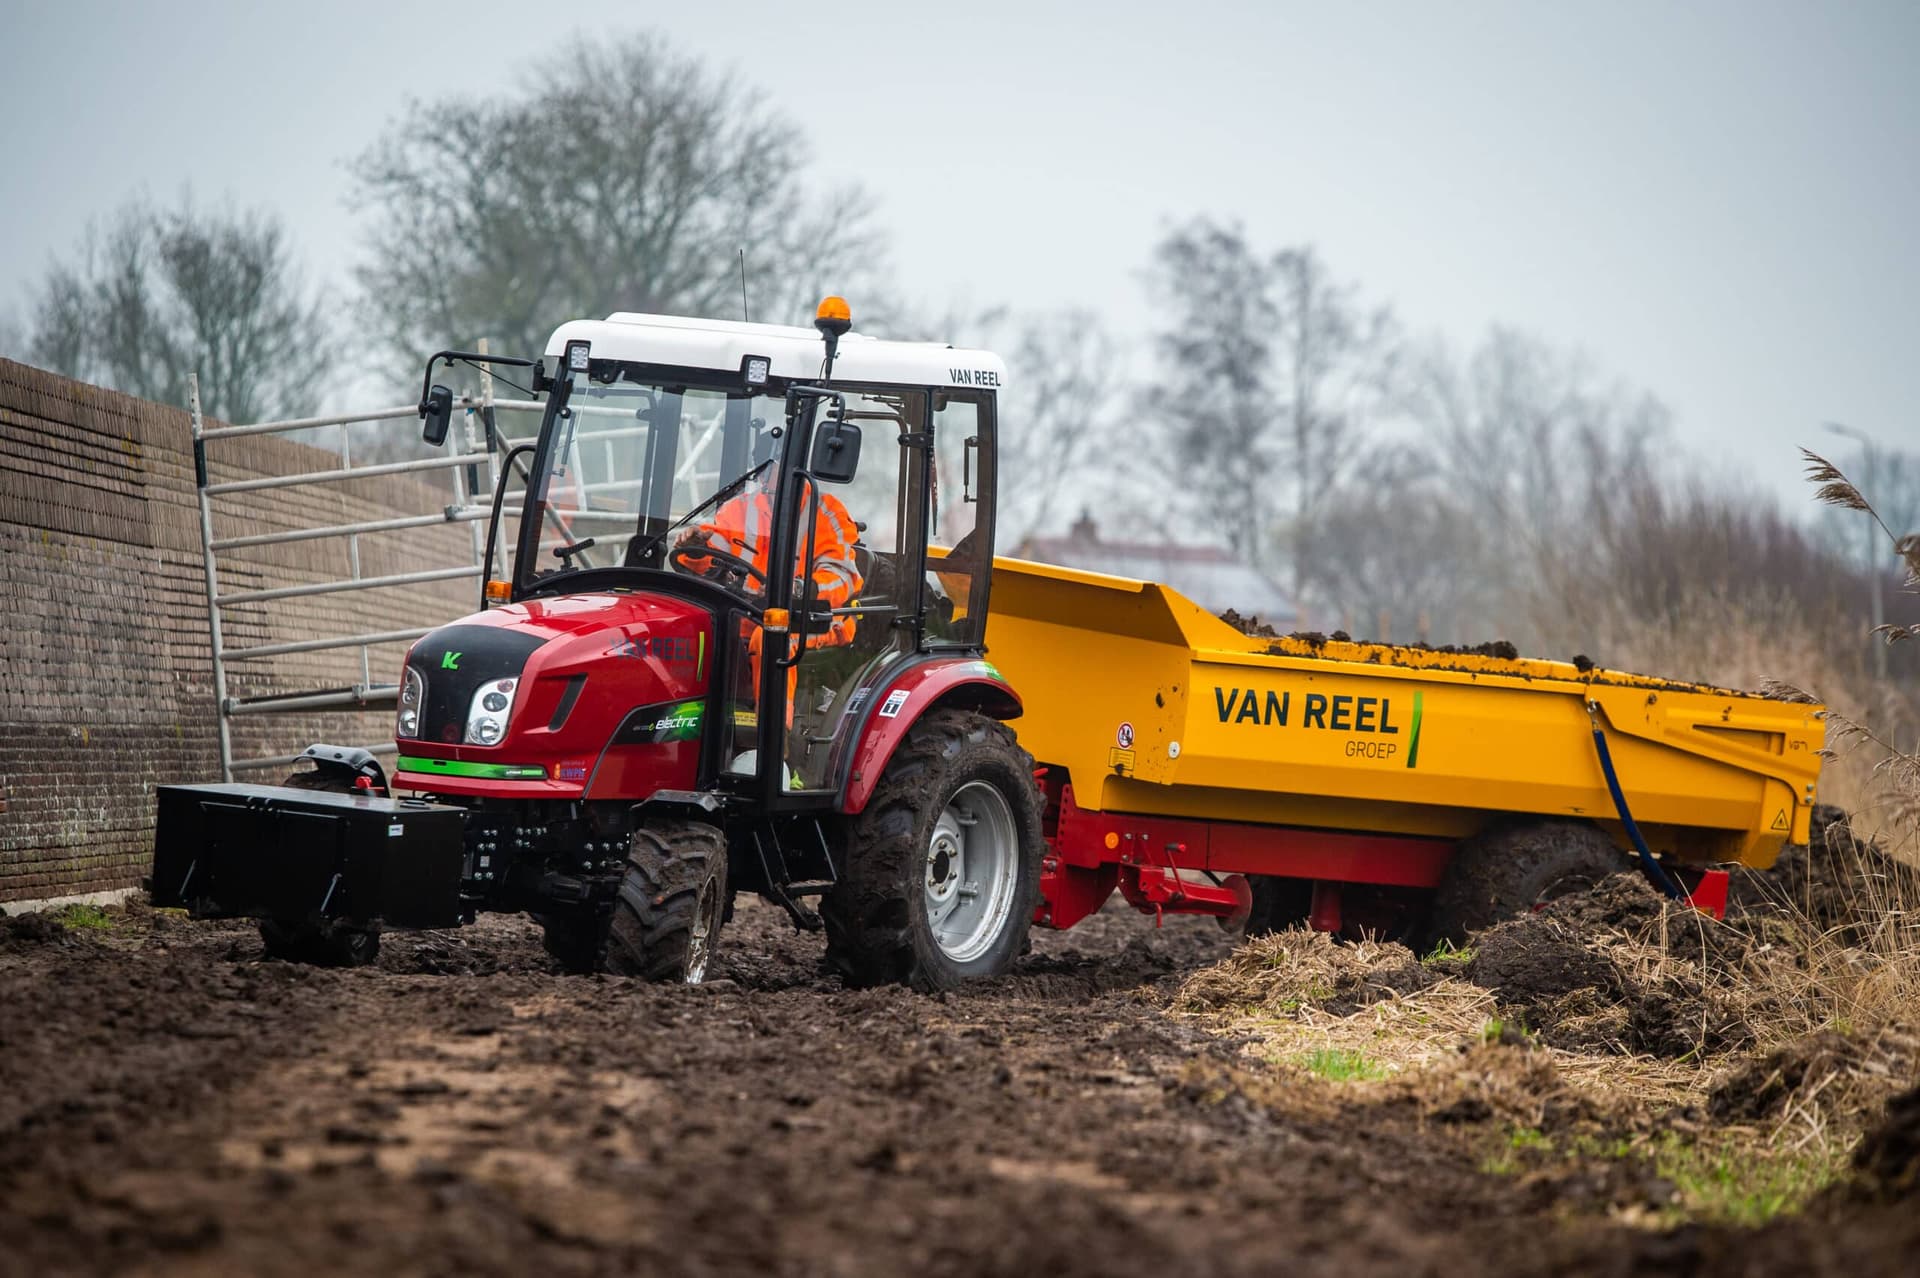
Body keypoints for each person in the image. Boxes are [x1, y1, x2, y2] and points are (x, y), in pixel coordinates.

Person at [674, 458, 864, 716]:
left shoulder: (826, 513)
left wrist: (796, 589)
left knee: (771, 636)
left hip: (814, 616)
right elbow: (715, 551)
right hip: (749, 614)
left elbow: (842, 577)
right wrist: (695, 549)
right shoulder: (739, 510)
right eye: (764, 463)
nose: (766, 473)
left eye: (775, 462)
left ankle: (774, 737)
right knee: (691, 627)